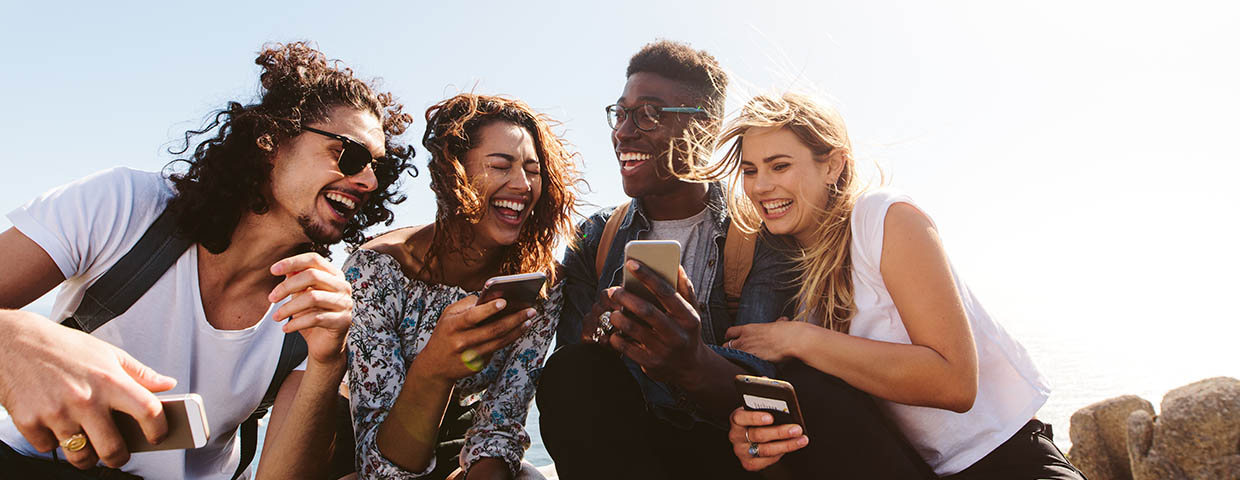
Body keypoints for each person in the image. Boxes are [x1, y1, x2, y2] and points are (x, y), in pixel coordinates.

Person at [0, 42, 415, 479]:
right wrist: (15, 336)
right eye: (350, 155)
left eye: (379, 170)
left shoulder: (314, 307)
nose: (367, 180)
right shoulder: (125, 206)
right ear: (271, 141)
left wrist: (328, 361)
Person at [703, 93, 1084, 479]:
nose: (761, 186)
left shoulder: (884, 219)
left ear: (833, 165)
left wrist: (799, 339)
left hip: (1007, 459)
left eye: (779, 166)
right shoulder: (787, 275)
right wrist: (757, 438)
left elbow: (955, 384)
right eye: (749, 171)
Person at [535, 40, 803, 480]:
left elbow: (767, 392)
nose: (623, 132)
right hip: (627, 453)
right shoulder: (596, 237)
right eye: (620, 113)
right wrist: (594, 338)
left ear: (707, 127)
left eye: (649, 113)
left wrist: (691, 363)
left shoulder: (760, 235)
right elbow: (572, 388)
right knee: (573, 371)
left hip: (727, 453)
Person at [345, 94, 580, 480]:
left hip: (463, 453)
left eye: (533, 170)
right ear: (453, 173)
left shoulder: (541, 284)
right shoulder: (376, 270)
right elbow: (379, 470)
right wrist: (435, 368)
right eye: (501, 165)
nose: (522, 184)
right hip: (376, 450)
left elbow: (499, 424)